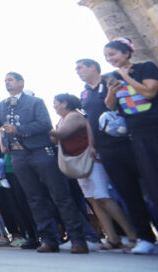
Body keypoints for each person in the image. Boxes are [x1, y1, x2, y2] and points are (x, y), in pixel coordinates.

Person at [0, 72, 88, 253]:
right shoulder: (2, 105)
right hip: (18, 156)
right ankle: (49, 239)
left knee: (60, 194)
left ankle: (78, 239)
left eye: (10, 80)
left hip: (40, 151)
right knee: (34, 198)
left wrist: (18, 129)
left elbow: (44, 125)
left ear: (21, 82)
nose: (7, 83)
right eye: (5, 81)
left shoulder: (35, 102)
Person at [76, 57, 156, 253]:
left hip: (129, 142)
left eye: (80, 68)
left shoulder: (111, 80)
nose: (77, 71)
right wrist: (92, 145)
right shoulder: (85, 93)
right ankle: (144, 237)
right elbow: (89, 121)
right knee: (128, 193)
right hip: (106, 148)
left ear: (93, 67)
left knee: (150, 189)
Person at [49, 93, 138, 251]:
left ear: (65, 103)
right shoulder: (62, 119)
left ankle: (133, 236)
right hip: (79, 162)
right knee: (93, 199)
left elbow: (61, 134)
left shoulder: (74, 116)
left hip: (90, 159)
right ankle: (113, 238)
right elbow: (56, 139)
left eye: (56, 102)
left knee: (102, 196)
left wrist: (41, 127)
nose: (54, 105)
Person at [103, 38, 158, 228]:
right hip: (136, 134)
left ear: (126, 52)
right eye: (106, 57)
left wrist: (125, 77)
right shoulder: (113, 77)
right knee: (152, 182)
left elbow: (149, 92)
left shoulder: (146, 67)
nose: (110, 59)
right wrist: (111, 91)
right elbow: (110, 106)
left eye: (113, 54)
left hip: (154, 128)